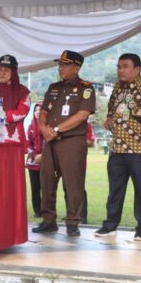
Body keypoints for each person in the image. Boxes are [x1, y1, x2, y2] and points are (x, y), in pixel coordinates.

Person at [95, 53, 141, 240]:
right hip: (117, 150)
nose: (120, 70)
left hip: (139, 150)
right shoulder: (117, 88)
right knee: (115, 190)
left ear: (136, 69)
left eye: (125, 66)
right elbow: (112, 109)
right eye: (118, 66)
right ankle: (110, 225)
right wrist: (109, 119)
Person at [32, 50, 96, 237]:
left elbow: (82, 115)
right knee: (47, 181)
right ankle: (48, 220)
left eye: (65, 65)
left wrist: (56, 130)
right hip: (50, 141)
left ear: (76, 67)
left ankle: (72, 222)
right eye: (60, 64)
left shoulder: (86, 88)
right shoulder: (53, 87)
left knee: (73, 183)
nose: (61, 68)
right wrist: (43, 128)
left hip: (72, 141)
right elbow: (44, 110)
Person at [0, 55, 31, 145]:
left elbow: (22, 111)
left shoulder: (22, 91)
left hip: (15, 138)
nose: (2, 73)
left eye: (6, 70)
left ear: (14, 72)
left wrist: (1, 116)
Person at [25, 102, 44, 218]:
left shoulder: (48, 125)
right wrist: (34, 155)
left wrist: (42, 155)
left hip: (45, 160)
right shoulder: (30, 126)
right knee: (35, 187)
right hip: (32, 161)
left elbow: (50, 141)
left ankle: (47, 210)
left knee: (47, 188)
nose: (37, 112)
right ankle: (38, 211)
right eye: (36, 110)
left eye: (40, 110)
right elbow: (27, 143)